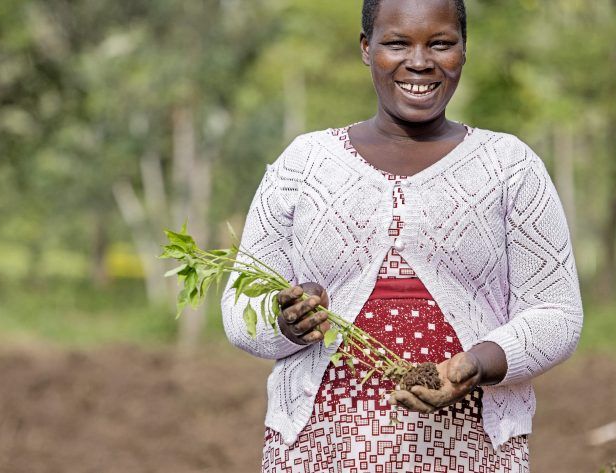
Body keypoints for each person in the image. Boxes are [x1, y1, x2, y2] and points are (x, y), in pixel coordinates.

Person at [221, 0, 583, 471]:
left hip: (469, 449)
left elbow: (556, 314)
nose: (419, 62)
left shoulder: (509, 167)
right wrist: (286, 321)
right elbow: (239, 308)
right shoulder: (303, 165)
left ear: (464, 50)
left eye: (441, 43)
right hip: (320, 447)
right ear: (366, 48)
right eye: (397, 43)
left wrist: (473, 365)